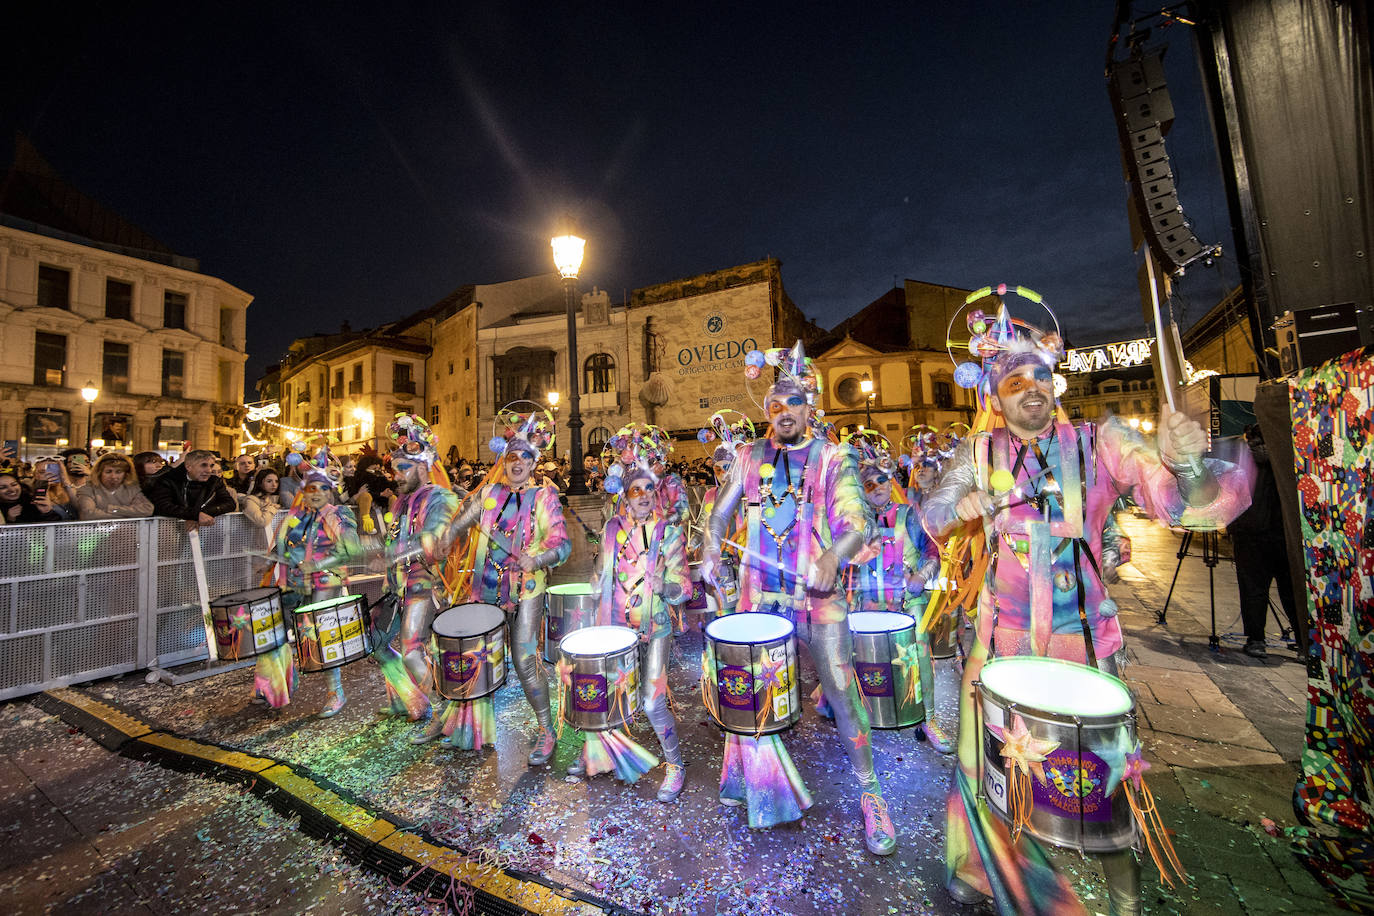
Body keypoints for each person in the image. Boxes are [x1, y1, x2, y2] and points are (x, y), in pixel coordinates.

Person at [921, 302, 1254, 915]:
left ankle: (1125, 899)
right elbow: (932, 516)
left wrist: (1183, 462)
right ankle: (989, 871)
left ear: (1055, 382)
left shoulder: (1101, 441)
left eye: (1040, 378)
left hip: (1083, 644)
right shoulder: (978, 452)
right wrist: (959, 508)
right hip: (1002, 644)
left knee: (1099, 776)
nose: (1031, 391)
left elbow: (1179, 503)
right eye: (1014, 382)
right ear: (995, 394)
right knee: (985, 767)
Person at [703, 341, 896, 855]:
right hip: (759, 594)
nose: (783, 411)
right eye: (774, 403)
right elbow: (719, 516)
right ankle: (758, 780)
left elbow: (857, 519)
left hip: (819, 596)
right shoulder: (748, 458)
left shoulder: (834, 456)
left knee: (838, 686)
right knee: (754, 687)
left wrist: (833, 556)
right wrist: (706, 552)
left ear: (811, 407)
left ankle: (870, 790)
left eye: (793, 402)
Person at [437, 405, 569, 760]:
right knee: (481, 658)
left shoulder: (544, 496)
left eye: (524, 458)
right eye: (511, 456)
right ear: (503, 459)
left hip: (527, 589)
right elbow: (459, 524)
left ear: (533, 463)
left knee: (525, 660)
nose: (517, 462)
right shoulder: (488, 495)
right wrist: (444, 537)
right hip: (487, 587)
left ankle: (546, 730)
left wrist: (537, 558)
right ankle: (473, 727)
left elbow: (563, 545)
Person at [572, 460, 689, 800]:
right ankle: (597, 752)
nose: (643, 496)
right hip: (616, 627)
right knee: (607, 692)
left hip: (656, 627)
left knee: (653, 703)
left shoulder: (669, 531)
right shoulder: (612, 529)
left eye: (649, 489)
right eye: (635, 490)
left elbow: (685, 588)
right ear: (625, 496)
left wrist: (664, 585)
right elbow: (601, 570)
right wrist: (596, 579)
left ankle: (675, 765)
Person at [844, 434, 948, 752]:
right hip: (867, 604)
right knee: (860, 660)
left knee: (918, 657)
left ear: (891, 481)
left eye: (882, 481)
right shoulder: (853, 522)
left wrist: (921, 576)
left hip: (907, 603)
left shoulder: (909, 514)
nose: (877, 489)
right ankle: (865, 717)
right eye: (869, 485)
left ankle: (928, 719)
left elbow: (933, 554)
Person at [369, 414, 460, 723]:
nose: (396, 476)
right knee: (376, 642)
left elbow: (432, 542)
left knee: (411, 652)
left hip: (424, 587)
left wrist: (390, 555)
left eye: (403, 468)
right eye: (394, 469)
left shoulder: (441, 498)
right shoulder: (403, 502)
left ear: (423, 467)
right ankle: (411, 699)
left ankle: (447, 713)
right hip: (396, 588)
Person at [268, 452, 362, 715]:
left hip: (325, 582)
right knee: (277, 633)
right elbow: (281, 547)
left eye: (323, 488)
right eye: (311, 488)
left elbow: (353, 551)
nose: (317, 493)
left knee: (321, 636)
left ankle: (336, 692)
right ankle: (280, 684)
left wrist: (318, 565)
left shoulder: (339, 515)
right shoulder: (295, 517)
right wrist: (268, 563)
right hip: (293, 583)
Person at [1229, 424, 1298, 658]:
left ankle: (1256, 640)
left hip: (1250, 535)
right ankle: (1304, 643)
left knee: (1252, 589)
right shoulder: (1287, 457)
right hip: (1284, 533)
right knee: (1292, 590)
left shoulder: (1242, 459)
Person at [147, 449, 239, 527]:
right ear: (188, 467)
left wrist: (200, 515)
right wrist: (195, 515)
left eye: (211, 465)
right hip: (169, 528)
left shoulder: (214, 481)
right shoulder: (168, 480)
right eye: (203, 465)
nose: (209, 470)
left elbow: (229, 503)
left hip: (205, 530)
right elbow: (164, 506)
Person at [74, 453, 154, 520]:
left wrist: (112, 509)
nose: (113, 476)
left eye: (118, 472)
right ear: (99, 473)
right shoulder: (87, 489)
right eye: (108, 472)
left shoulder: (132, 489)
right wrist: (130, 513)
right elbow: (88, 514)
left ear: (126, 474)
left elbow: (147, 509)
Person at [0, 471, 64, 524]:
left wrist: (47, 512)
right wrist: (10, 520)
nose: (11, 489)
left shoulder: (33, 501)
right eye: (3, 487)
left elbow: (56, 530)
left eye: (14, 484)